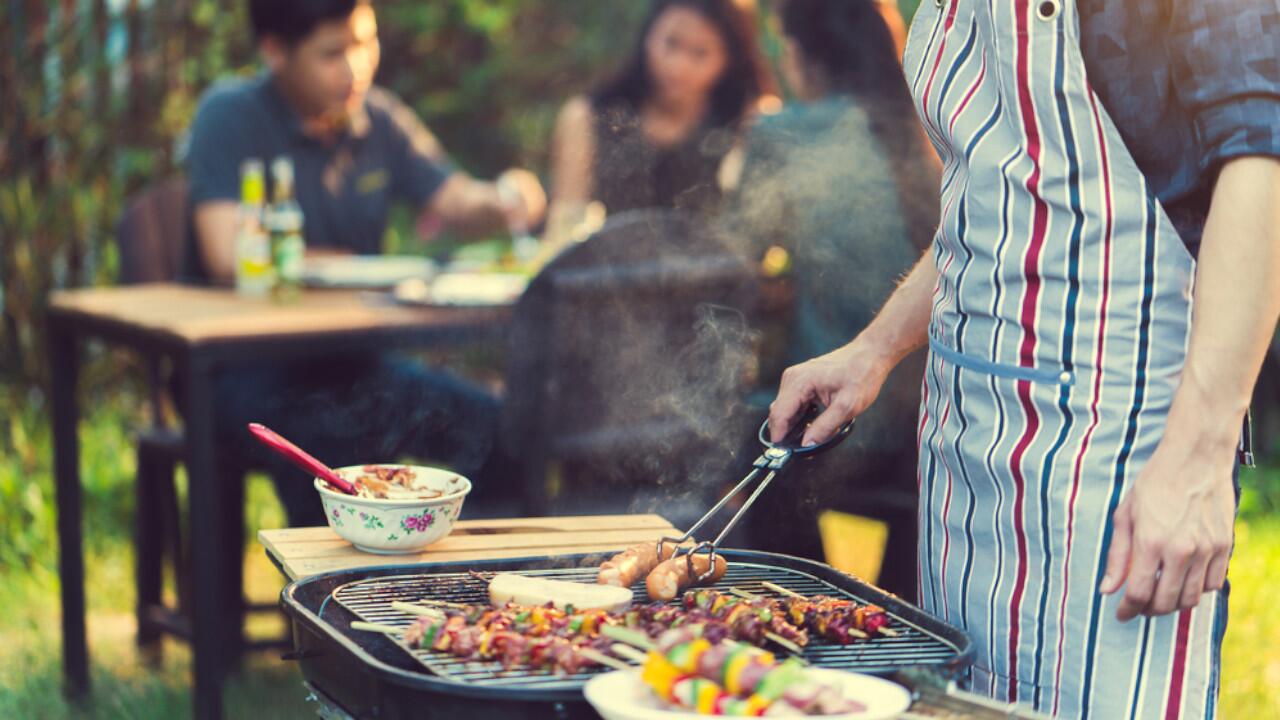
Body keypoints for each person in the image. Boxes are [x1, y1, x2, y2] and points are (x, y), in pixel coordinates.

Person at [768, 0, 1279, 717]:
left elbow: (1264, 163)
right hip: (964, 439)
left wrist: (1199, 456)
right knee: (961, 699)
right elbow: (1000, 194)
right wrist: (876, 348)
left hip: (1114, 448)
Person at [182, 0, 544, 525]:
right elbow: (222, 253)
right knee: (332, 441)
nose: (355, 68)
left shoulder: (379, 118)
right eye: (333, 53)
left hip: (353, 364)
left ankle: (465, 590)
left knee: (501, 433)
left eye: (365, 43)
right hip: (243, 369)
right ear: (275, 51)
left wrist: (506, 197)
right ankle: (333, 600)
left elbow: (456, 199)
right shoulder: (229, 115)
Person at [722, 0, 939, 597]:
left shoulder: (782, 132)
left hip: (839, 425)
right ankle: (893, 608)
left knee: (734, 440)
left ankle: (803, 604)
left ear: (799, 50)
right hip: (929, 427)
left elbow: (735, 256)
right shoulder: (923, 127)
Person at [544, 0, 776, 243]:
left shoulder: (748, 119)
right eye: (671, 43)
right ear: (648, 35)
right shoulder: (587, 116)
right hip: (604, 274)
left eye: (701, 53)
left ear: (729, 58)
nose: (679, 66)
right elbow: (565, 228)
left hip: (709, 277)